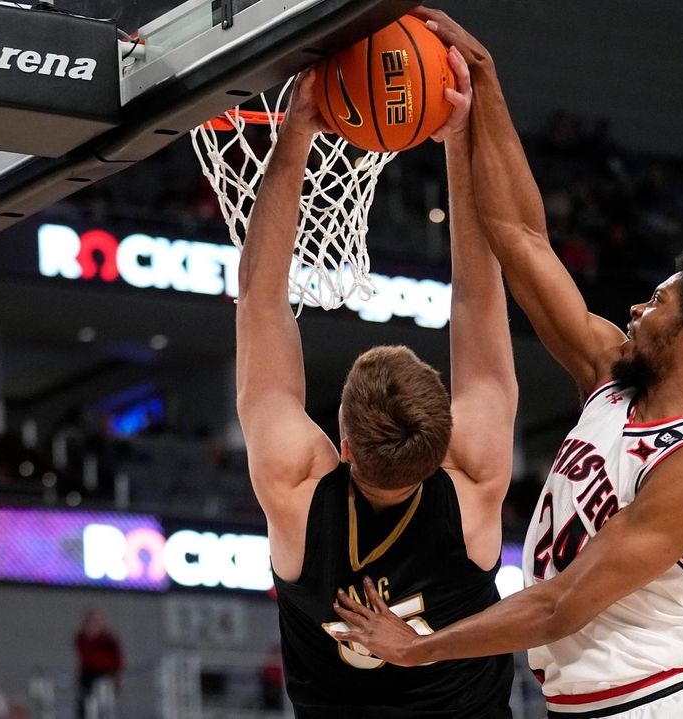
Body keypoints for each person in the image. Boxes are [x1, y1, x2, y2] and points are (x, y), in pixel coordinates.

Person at [330, 9, 683, 718]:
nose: (638, 309)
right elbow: (519, 235)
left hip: (667, 704)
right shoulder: (612, 374)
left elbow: (563, 603)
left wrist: (419, 646)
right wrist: (483, 93)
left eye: (659, 302)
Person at [235, 49, 516, 716]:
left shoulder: (299, 493)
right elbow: (480, 304)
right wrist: (458, 142)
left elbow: (260, 299)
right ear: (444, 440)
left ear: (345, 446)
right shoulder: (474, 483)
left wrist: (297, 131)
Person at [74, 608, 122, 719]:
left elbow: (117, 658)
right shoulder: (82, 637)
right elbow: (87, 656)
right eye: (93, 620)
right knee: (87, 707)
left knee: (106, 708)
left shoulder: (109, 639)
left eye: (98, 620)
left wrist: (117, 675)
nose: (96, 623)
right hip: (89, 677)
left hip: (106, 677)